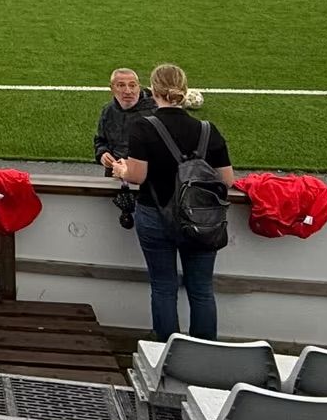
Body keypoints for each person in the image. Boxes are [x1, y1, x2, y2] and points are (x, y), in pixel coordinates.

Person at [107, 63, 233, 340]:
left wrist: (120, 170)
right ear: (184, 91)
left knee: (163, 287)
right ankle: (204, 352)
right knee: (201, 289)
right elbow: (226, 180)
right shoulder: (207, 129)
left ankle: (165, 352)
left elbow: (137, 176)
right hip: (200, 217)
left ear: (153, 92)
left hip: (155, 214)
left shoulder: (143, 127)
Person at [93, 68, 157, 174]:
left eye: (132, 85)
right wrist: (102, 154)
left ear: (139, 87)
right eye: (121, 85)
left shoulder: (154, 112)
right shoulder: (108, 110)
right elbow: (100, 140)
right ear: (112, 88)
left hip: (146, 175)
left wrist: (132, 164)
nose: (128, 91)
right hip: (115, 172)